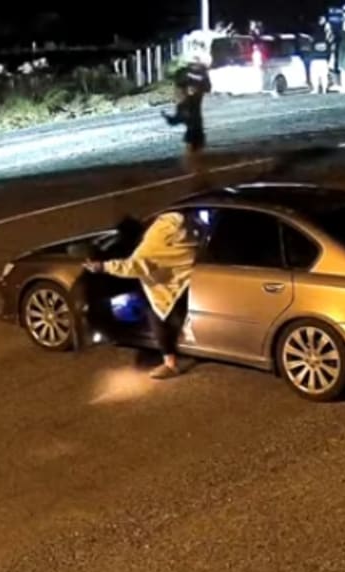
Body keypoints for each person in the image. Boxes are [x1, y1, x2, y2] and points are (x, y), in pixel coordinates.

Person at [83, 212, 199, 379]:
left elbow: (134, 267)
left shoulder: (156, 242)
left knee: (155, 315)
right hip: (187, 281)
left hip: (168, 289)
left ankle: (170, 364)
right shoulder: (187, 230)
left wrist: (103, 267)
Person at [164, 59, 211, 187]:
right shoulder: (188, 101)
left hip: (194, 130)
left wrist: (170, 119)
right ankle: (202, 180)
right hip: (195, 130)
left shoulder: (188, 102)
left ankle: (201, 182)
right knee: (193, 160)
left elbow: (180, 118)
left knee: (191, 161)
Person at [309, 17, 332, 93]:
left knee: (315, 75)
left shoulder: (314, 37)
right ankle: (324, 89)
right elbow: (329, 50)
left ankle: (316, 89)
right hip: (323, 59)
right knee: (324, 75)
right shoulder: (326, 38)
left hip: (315, 58)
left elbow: (311, 47)